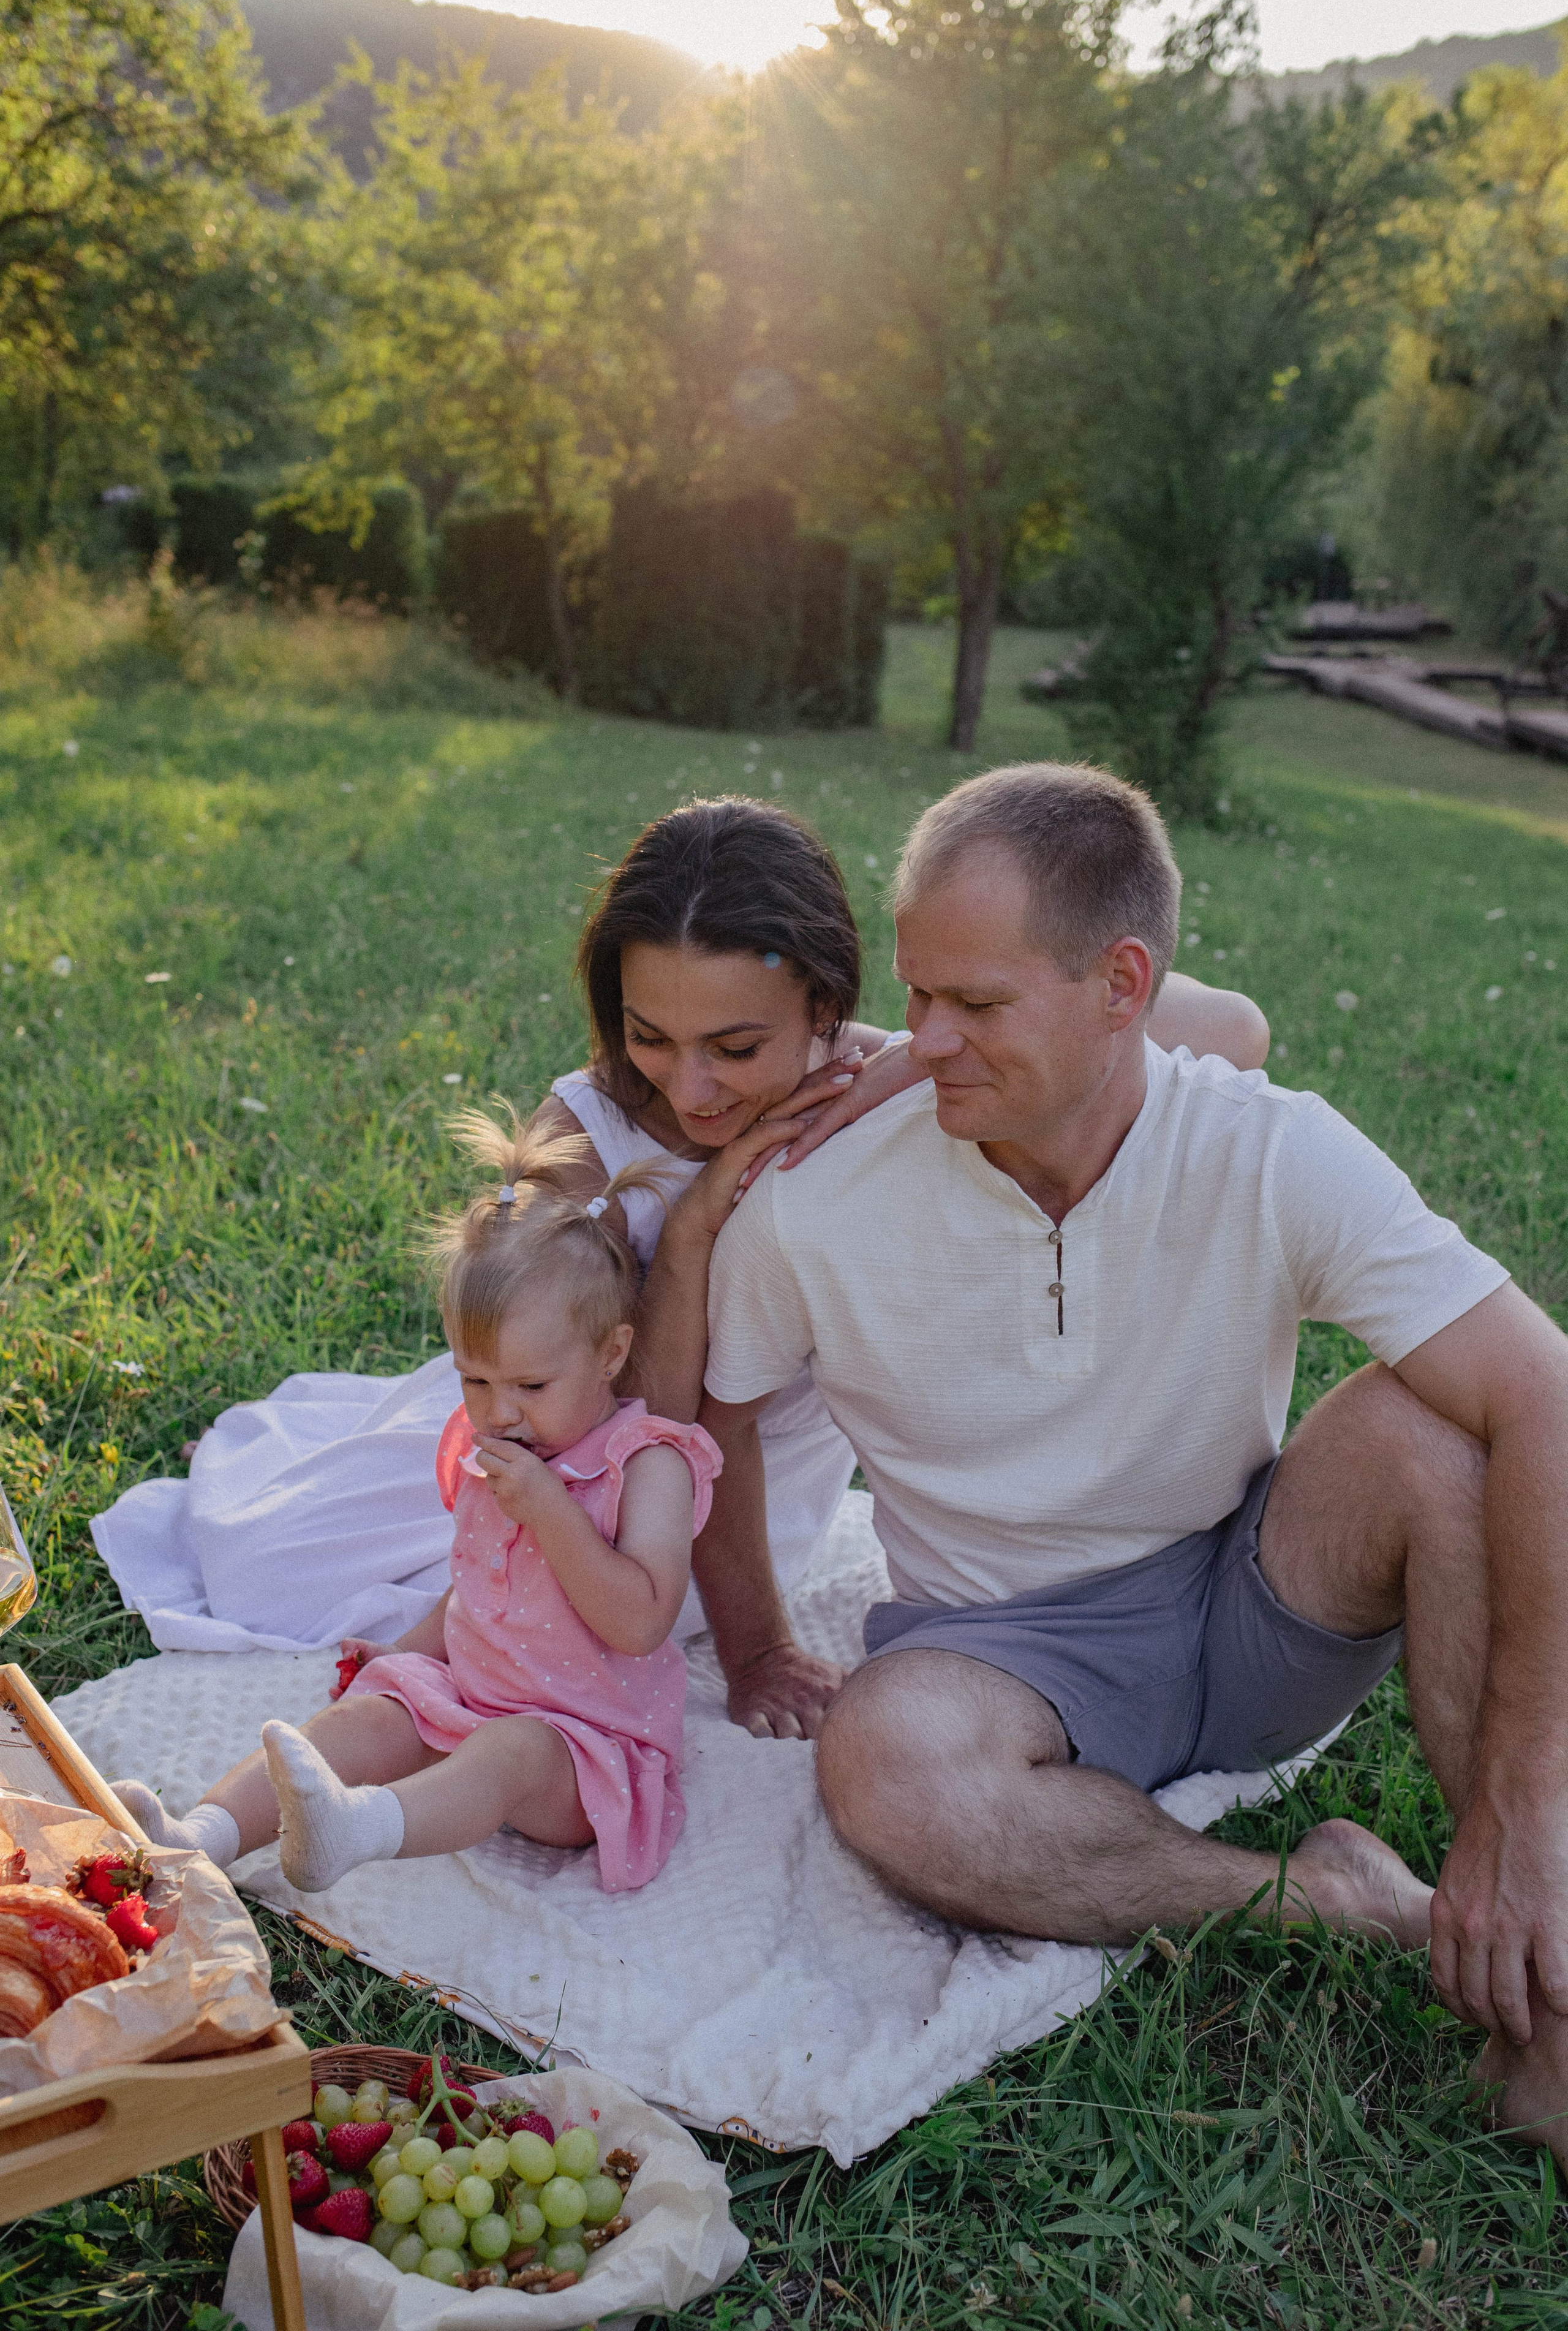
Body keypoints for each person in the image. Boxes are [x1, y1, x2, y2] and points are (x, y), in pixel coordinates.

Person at [696, 762, 1568, 2165]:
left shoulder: (1268, 1149)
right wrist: (749, 1648)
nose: (919, 1042)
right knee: (882, 1766)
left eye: (975, 1004)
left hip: (1251, 1597)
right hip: (1000, 1653)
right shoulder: (814, 1203)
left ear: (1120, 985)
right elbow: (715, 1418)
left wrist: (1531, 1796)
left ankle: (1533, 1987)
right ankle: (1341, 1897)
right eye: (914, 994)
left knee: (1435, 1424)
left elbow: (1543, 1395)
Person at [93, 799, 1269, 1741]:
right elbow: (636, 1429)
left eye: (738, 1046)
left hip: (752, 1503)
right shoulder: (583, 1142)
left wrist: (916, 1049)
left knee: (648, 1618)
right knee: (300, 1568)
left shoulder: (920, 1077)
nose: (691, 1089)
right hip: (573, 1460)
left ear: (824, 997)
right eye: (652, 1036)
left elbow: (1236, 1032)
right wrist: (702, 1219)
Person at [116, 1111, 721, 1896]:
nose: (499, 1411)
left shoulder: (647, 1466)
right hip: (470, 1696)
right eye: (475, 1379)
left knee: (509, 1753)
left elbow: (640, 1622)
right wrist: (407, 1652)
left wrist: (551, 1511)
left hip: (582, 1746)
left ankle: (359, 1829)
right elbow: (481, 1588)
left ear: (612, 1353)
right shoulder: (503, 1451)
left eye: (531, 1386)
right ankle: (201, 1837)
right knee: (365, 1719)